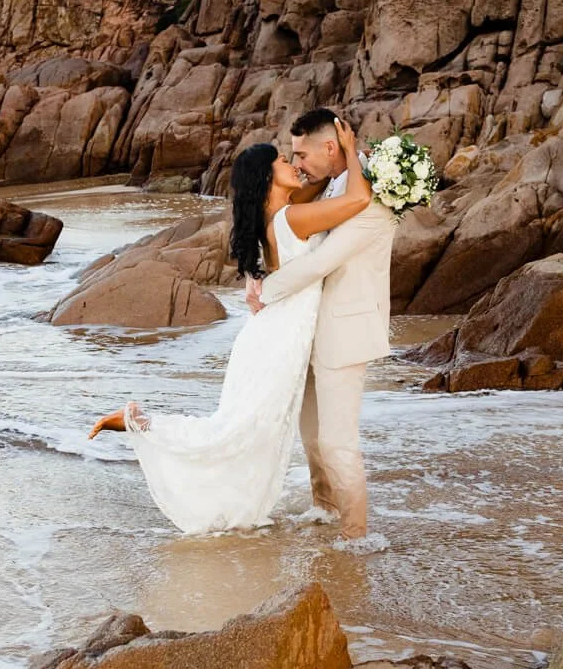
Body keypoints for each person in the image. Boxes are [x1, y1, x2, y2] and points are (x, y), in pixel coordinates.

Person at [88, 116, 375, 536]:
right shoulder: (293, 218)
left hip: (272, 337)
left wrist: (335, 163)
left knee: (245, 429)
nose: (293, 164)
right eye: (282, 160)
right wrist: (349, 151)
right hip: (277, 342)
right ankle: (138, 422)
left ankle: (142, 423)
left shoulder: (277, 215)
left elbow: (320, 186)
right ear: (267, 176)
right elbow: (359, 201)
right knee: (239, 430)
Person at [248, 108, 397, 541]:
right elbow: (270, 217)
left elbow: (321, 262)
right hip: (307, 329)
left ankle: (357, 536)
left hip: (343, 330)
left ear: (330, 147)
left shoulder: (371, 198)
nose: (296, 163)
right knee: (311, 436)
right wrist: (251, 272)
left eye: (301, 154)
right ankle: (325, 508)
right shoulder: (327, 187)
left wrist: (266, 291)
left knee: (337, 442)